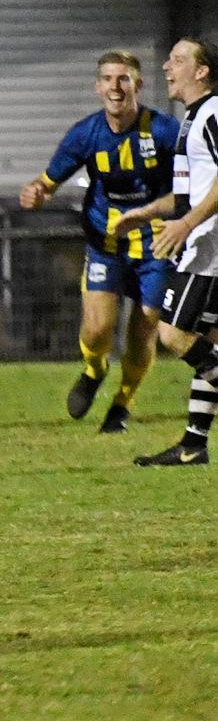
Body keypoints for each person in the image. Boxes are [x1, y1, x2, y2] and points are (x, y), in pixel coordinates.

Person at [17, 50, 178, 432]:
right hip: (106, 244)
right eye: (107, 79)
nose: (115, 87)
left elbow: (192, 187)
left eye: (123, 79)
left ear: (138, 85)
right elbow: (48, 181)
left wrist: (157, 213)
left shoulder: (164, 131)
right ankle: (94, 369)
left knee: (144, 328)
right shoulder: (85, 134)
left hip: (156, 245)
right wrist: (36, 192)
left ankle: (122, 403)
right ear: (97, 87)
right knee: (96, 329)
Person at [120, 38, 218, 466]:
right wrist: (146, 212)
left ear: (202, 72)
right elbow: (186, 194)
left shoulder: (213, 113)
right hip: (202, 243)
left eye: (179, 60)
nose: (166, 66)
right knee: (209, 342)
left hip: (209, 249)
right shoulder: (193, 118)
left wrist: (187, 224)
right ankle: (193, 446)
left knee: (173, 333)